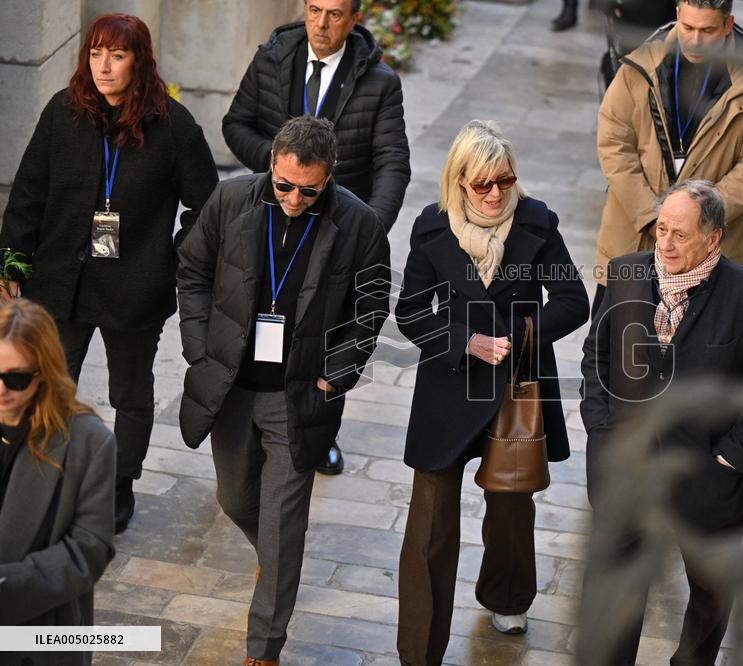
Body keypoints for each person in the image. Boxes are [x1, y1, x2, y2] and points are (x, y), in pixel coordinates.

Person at [176, 115, 390, 665]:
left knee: (281, 517)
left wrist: (331, 378)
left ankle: (264, 648)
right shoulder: (230, 202)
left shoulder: (359, 225)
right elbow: (193, 269)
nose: (295, 199)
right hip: (231, 386)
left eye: (309, 190)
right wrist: (201, 348)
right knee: (236, 499)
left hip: (300, 396)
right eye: (285, 185)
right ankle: (275, 559)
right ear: (272, 163)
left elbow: (370, 311)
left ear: (329, 176)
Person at [0, 13, 218, 534]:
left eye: (117, 56)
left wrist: (170, 259)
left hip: (134, 291)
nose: (103, 66)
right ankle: (45, 481)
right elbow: (28, 194)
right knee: (49, 387)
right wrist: (12, 263)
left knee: (131, 394)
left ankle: (119, 484)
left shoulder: (174, 127)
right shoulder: (64, 112)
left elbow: (207, 209)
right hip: (59, 285)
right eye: (96, 54)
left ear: (138, 62)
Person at [395, 120, 589, 665]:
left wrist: (521, 335)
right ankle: (418, 649)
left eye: (505, 180)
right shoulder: (431, 228)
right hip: (449, 383)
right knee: (430, 521)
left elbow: (574, 300)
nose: (496, 192)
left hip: (517, 386)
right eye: (482, 183)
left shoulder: (537, 222)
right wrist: (466, 342)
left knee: (510, 503)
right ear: (459, 181)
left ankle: (508, 597)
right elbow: (410, 311)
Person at [581, 180, 743, 665]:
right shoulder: (625, 273)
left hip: (708, 479)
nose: (666, 244)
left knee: (711, 598)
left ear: (713, 238)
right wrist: (603, 430)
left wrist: (728, 456)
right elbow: (597, 356)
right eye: (662, 230)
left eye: (680, 235)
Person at [223, 0, 410, 476]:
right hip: (271, 218)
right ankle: (254, 419)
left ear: (354, 19)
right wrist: (286, 166)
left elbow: (392, 161)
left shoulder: (379, 82)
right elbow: (235, 124)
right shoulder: (272, 58)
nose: (321, 24)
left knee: (326, 331)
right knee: (265, 313)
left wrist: (369, 228)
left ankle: (320, 432)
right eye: (314, 10)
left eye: (334, 13)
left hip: (335, 231)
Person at [594, 0, 743, 314]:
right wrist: (654, 219)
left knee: (692, 359)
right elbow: (614, 145)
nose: (695, 40)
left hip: (706, 252)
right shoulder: (638, 68)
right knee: (612, 351)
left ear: (728, 25)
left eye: (707, 30)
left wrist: (695, 221)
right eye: (688, 27)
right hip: (633, 240)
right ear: (678, 15)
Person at [0, 299, 116, 666]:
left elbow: (90, 548)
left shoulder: (88, 442)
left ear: (44, 373)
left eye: (15, 378)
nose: (1, 389)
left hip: (39, 635)